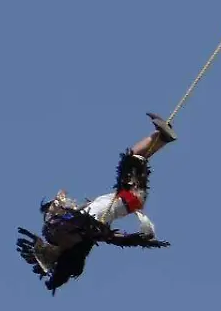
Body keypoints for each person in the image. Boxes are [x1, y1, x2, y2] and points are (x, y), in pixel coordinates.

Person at [15, 113, 176, 294]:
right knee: (133, 157)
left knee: (137, 159)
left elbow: (67, 216)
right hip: (129, 198)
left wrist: (59, 204)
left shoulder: (82, 229)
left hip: (128, 198)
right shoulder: (82, 231)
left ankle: (162, 137)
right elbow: (66, 223)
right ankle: (162, 136)